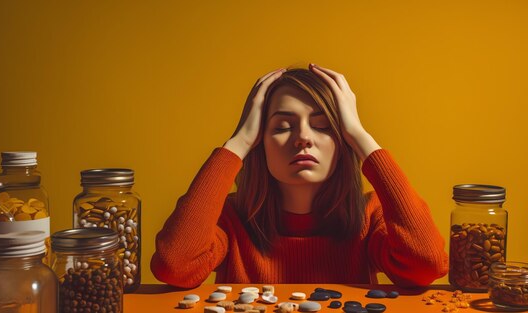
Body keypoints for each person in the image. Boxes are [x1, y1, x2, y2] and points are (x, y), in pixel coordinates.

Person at [150, 64, 448, 288]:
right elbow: (174, 266)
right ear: (259, 143)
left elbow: (427, 264)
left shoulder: (368, 217)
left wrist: (360, 136)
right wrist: (237, 142)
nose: (303, 137)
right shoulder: (231, 217)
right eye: (281, 127)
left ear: (344, 143)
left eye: (322, 126)